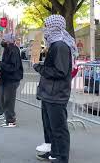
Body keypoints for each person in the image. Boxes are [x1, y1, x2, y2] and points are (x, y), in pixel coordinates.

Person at [34, 15, 75, 163]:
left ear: (54, 26)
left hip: (56, 94)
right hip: (50, 93)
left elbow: (60, 71)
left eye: (47, 25)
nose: (45, 28)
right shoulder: (55, 44)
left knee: (58, 128)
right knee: (51, 126)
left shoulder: (60, 45)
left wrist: (39, 67)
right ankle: (54, 152)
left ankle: (61, 157)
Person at [0, 33, 23, 128]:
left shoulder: (14, 50)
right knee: (2, 98)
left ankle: (11, 120)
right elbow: (6, 64)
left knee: (8, 100)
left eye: (4, 40)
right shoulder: (7, 49)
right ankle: (8, 117)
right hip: (6, 78)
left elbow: (13, 67)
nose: (2, 41)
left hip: (12, 79)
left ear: (9, 41)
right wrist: (0, 69)